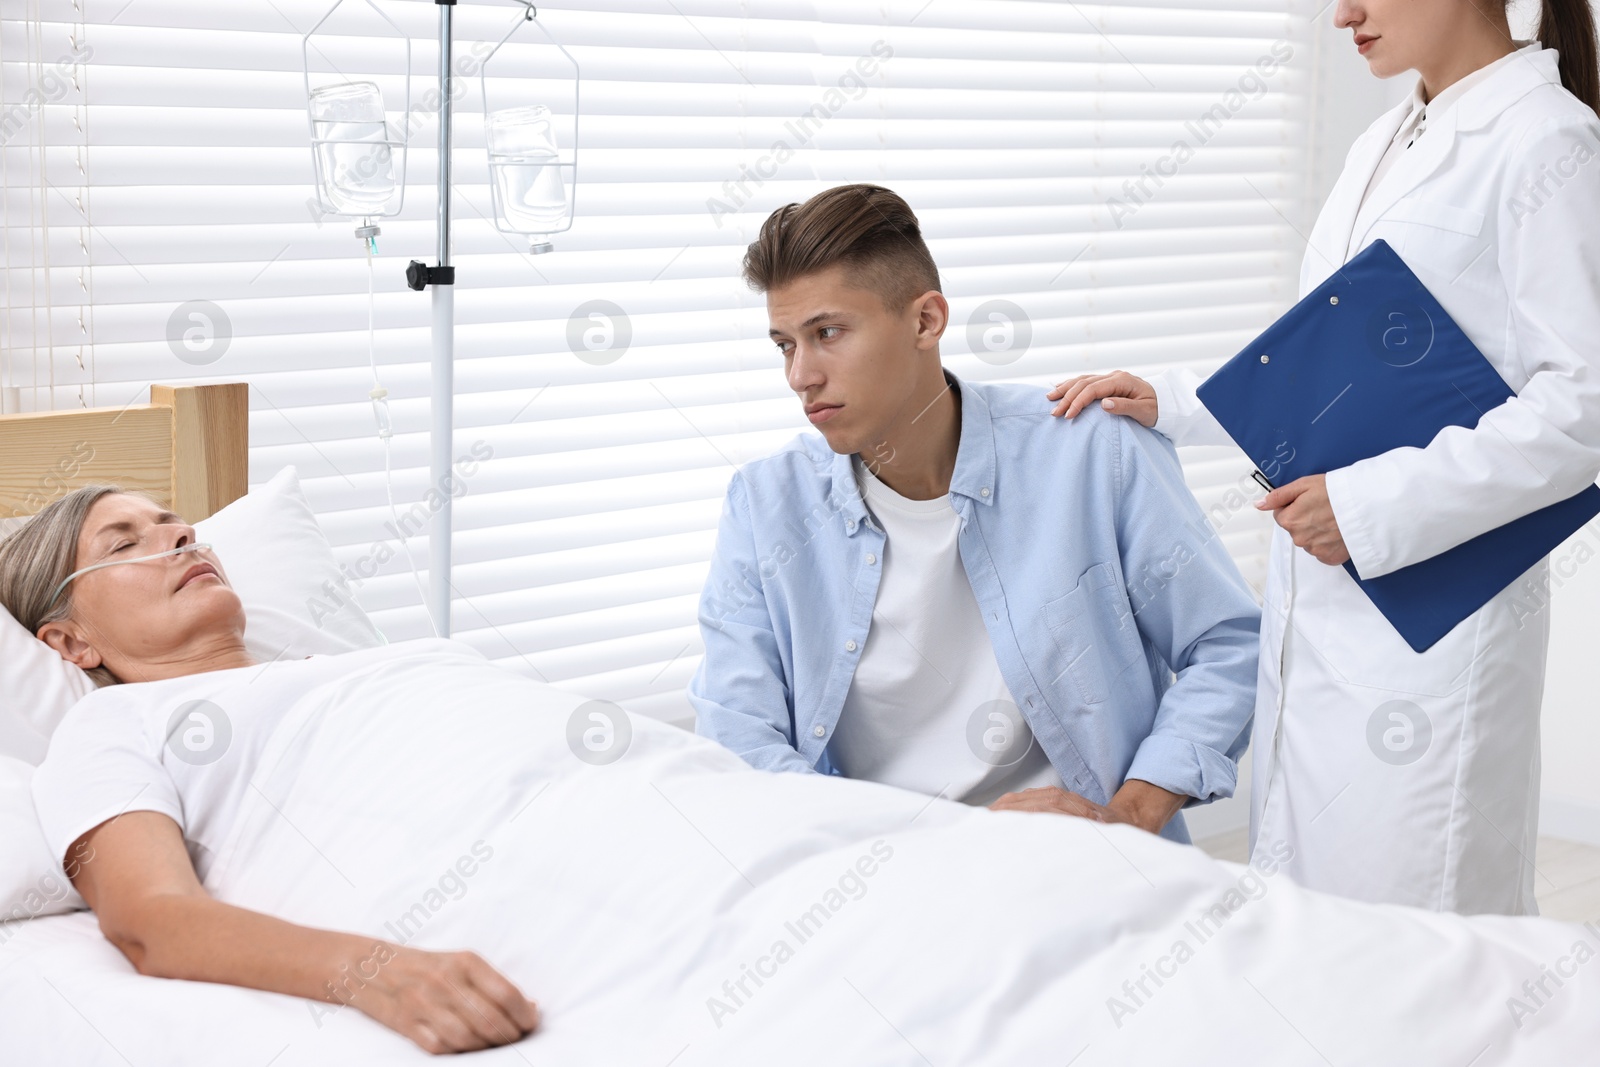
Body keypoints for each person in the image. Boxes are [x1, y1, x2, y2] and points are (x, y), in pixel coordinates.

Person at [1047, 0, 1600, 913]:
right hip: (1321, 621)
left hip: (1432, 635)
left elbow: (1581, 406)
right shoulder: (1387, 139)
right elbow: (1326, 359)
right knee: (1314, 934)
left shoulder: (1549, 140)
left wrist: (1371, 507)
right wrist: (1175, 400)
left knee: (1423, 955)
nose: (1342, 13)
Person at [689, 183, 1261, 842]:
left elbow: (1228, 645)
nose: (801, 375)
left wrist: (1129, 813)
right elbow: (738, 735)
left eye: (828, 333)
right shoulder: (766, 505)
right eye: (785, 344)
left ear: (926, 321)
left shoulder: (1094, 451)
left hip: (1082, 863)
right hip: (875, 872)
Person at [0, 488, 541, 1055]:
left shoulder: (374, 665)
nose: (182, 537)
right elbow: (151, 920)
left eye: (175, 524)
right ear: (71, 640)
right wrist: (374, 972)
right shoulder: (111, 724)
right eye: (125, 545)